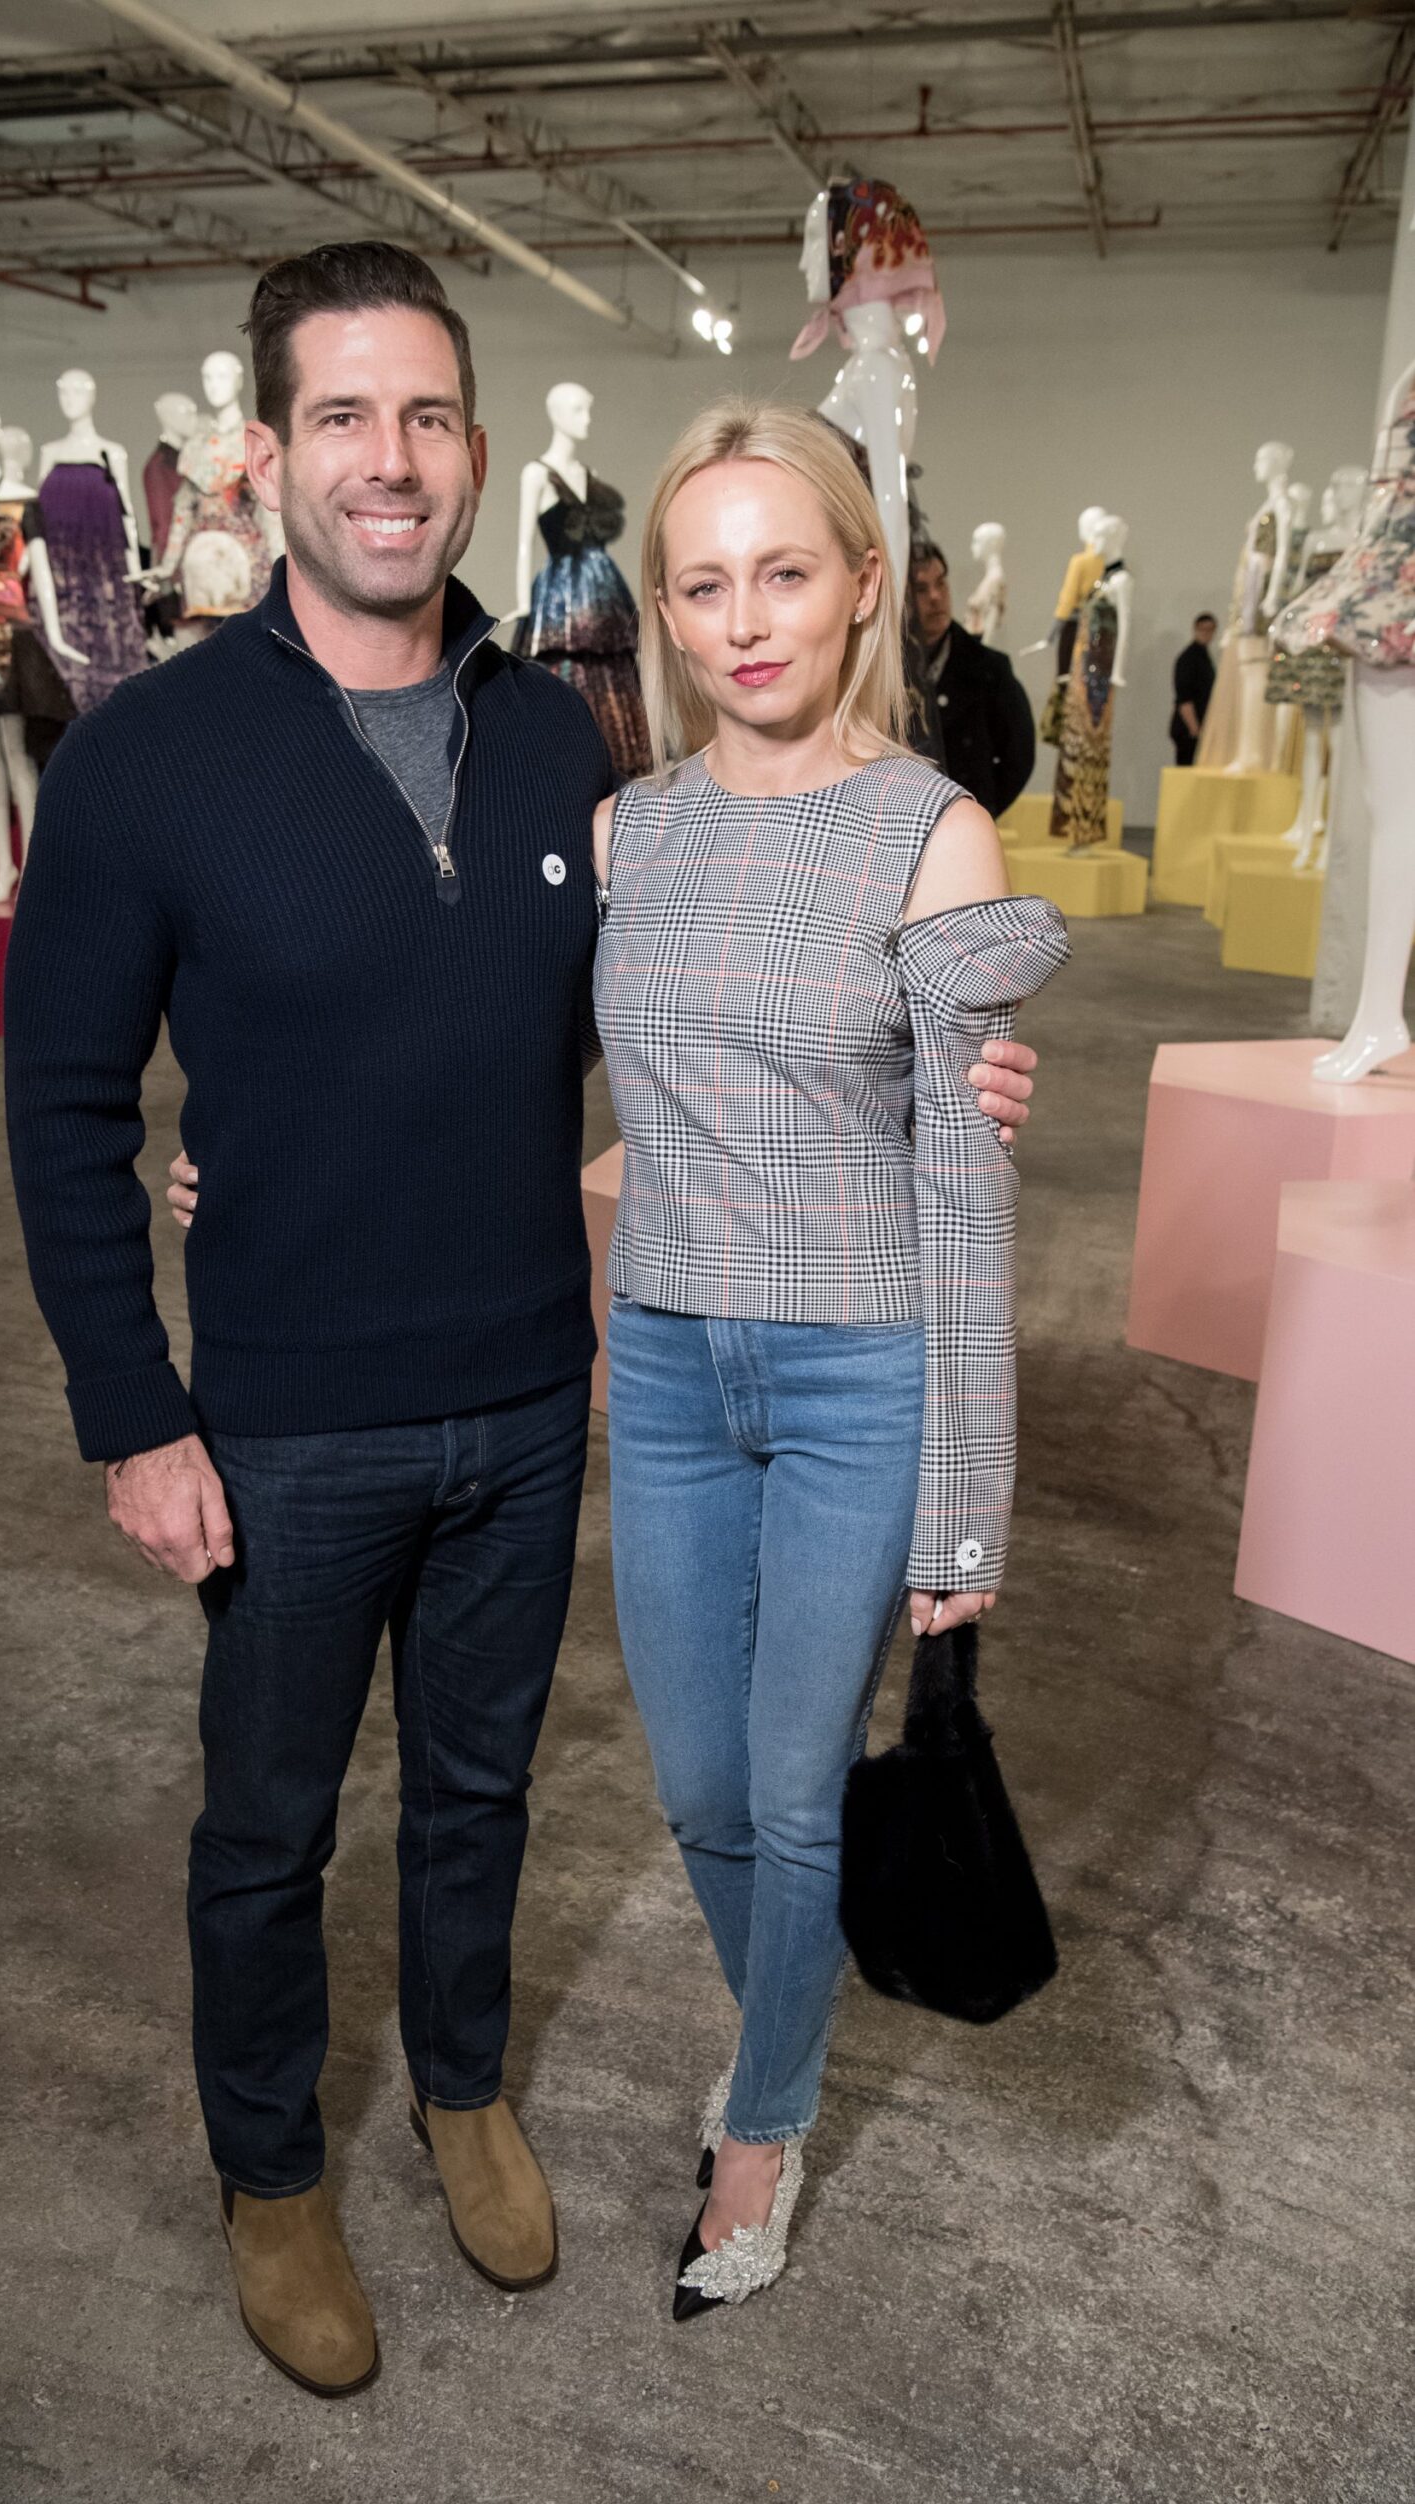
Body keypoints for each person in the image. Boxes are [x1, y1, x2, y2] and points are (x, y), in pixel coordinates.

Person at [5, 242, 1041, 2400]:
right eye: (342, 417)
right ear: (267, 453)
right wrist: (133, 1400)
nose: (387, 461)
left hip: (530, 1393)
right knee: (267, 1828)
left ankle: (462, 2093)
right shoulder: (146, 757)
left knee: (481, 1793)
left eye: (423, 418)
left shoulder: (558, 744)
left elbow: (634, 1027)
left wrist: (938, 1065)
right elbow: (63, 1100)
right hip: (281, 1417)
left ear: (473, 451)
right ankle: (271, 2176)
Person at [591, 402, 1067, 2318]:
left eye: (783, 573)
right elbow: (502, 1066)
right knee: (702, 1795)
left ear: (863, 585)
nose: (744, 621)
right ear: (663, 613)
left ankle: (763, 2123)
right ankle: (782, 2012)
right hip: (663, 1368)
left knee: (800, 1798)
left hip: (862, 1372)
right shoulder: (626, 830)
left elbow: (963, 1191)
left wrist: (967, 1509)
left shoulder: (932, 834)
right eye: (702, 585)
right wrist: (251, 1155)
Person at [910, 542, 1036, 817]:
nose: (935, 597)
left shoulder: (988, 669)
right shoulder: (882, 666)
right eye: (921, 589)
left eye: (941, 584)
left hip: (963, 820)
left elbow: (1019, 756)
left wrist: (979, 810)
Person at [1170, 612, 1218, 765]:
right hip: (1189, 730)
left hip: (1199, 726)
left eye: (1210, 630)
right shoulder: (1188, 659)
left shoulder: (1203, 657)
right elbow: (1184, 698)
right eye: (1203, 629)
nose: (1206, 633)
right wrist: (1195, 730)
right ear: (1195, 629)